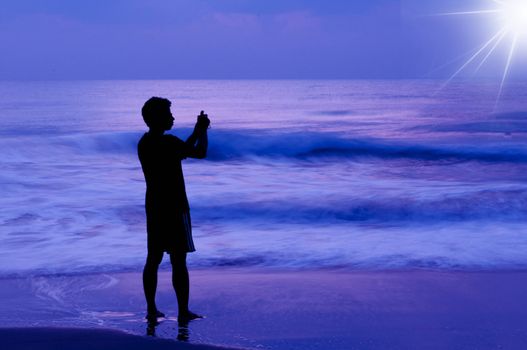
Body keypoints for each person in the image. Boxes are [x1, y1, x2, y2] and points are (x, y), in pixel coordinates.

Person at [137, 96, 209, 324]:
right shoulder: (167, 143)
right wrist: (202, 130)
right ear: (158, 118)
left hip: (155, 207)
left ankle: (151, 309)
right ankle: (183, 311)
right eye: (168, 114)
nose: (173, 117)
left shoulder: (145, 143)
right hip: (176, 207)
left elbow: (183, 149)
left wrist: (197, 131)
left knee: (153, 259)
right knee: (179, 261)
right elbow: (198, 152)